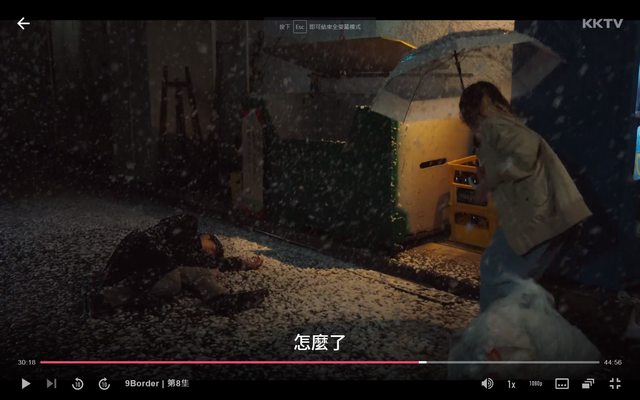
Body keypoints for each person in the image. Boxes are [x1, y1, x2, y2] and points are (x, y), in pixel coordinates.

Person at [458, 81, 592, 311]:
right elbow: (510, 161)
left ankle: (501, 328)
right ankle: (522, 325)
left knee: (496, 271)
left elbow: (524, 154)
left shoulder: (494, 125)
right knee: (515, 280)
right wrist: (486, 173)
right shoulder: (499, 126)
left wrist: (487, 181)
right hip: (543, 215)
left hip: (536, 215)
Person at [90, 214, 268, 317]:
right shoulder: (180, 233)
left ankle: (222, 301)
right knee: (174, 262)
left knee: (197, 273)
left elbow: (218, 262)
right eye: (212, 248)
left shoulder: (186, 253)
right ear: (206, 237)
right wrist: (197, 243)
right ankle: (109, 299)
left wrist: (244, 263)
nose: (208, 253)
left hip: (148, 276)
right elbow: (166, 240)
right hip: (132, 266)